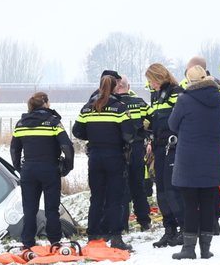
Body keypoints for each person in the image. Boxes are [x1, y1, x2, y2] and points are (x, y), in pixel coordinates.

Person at [168, 63, 220, 259]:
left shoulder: (184, 100)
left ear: (189, 81)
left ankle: (188, 249)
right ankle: (205, 248)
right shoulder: (219, 99)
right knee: (208, 203)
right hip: (212, 158)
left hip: (189, 159)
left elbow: (172, 124)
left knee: (190, 205)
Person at [73, 73, 139, 249]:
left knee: (96, 197)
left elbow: (77, 131)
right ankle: (116, 237)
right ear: (115, 87)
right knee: (115, 198)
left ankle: (93, 235)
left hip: (95, 156)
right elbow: (130, 134)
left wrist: (92, 136)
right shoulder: (119, 107)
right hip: (115, 156)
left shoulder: (87, 108)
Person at [10, 92, 75, 251]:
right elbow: (67, 147)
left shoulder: (21, 124)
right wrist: (66, 167)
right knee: (51, 209)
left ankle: (28, 243)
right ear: (45, 103)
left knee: (29, 209)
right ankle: (55, 241)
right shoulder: (53, 122)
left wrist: (20, 168)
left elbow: (14, 150)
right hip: (49, 169)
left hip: (29, 170)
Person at [144, 63, 185, 246]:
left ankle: (184, 228)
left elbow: (182, 118)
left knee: (172, 190)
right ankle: (169, 229)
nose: (150, 84)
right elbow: (154, 120)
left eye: (151, 80)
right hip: (159, 147)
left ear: (158, 77)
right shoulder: (157, 96)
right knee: (160, 190)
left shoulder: (176, 92)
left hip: (174, 147)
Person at [114, 76, 151, 232]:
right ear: (128, 87)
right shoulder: (139, 102)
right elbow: (152, 118)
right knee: (138, 185)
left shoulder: (112, 104)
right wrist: (145, 132)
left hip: (119, 149)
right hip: (136, 148)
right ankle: (144, 221)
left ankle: (123, 224)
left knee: (121, 187)